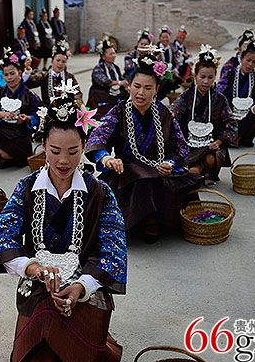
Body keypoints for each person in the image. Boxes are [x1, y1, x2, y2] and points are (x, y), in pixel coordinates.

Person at [0, 92, 126, 362]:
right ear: (43, 147)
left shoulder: (100, 193)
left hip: (84, 288)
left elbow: (114, 250)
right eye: (55, 150)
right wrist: (33, 268)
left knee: (71, 361)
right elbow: (2, 237)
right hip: (38, 287)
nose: (63, 160)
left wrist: (82, 286)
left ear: (84, 146)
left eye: (73, 151)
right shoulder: (26, 187)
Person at [85, 48, 199, 243]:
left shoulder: (164, 113)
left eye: (148, 88)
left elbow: (180, 146)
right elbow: (97, 136)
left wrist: (170, 163)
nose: (141, 93)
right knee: (139, 178)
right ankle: (148, 220)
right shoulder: (119, 111)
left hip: (158, 168)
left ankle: (151, 219)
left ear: (156, 89)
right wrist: (106, 158)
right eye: (137, 86)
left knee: (180, 182)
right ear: (129, 85)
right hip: (126, 170)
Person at [170, 45, 237, 186]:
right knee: (191, 169)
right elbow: (173, 115)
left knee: (210, 159)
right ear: (195, 76)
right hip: (189, 143)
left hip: (211, 145)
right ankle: (196, 171)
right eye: (202, 77)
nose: (206, 81)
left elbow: (231, 123)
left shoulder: (220, 99)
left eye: (210, 77)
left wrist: (219, 141)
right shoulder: (186, 96)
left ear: (215, 77)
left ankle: (206, 172)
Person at [0, 48, 42, 168]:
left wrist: (27, 118)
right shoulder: (1, 91)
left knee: (5, 153)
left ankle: (9, 158)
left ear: (20, 72)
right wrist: (2, 114)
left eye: (12, 73)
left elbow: (39, 113)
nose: (9, 78)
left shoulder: (29, 94)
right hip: (3, 128)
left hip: (21, 132)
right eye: (6, 75)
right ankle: (5, 158)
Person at [216, 35, 255, 148]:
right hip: (230, 111)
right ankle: (232, 137)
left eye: (254, 62)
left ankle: (239, 137)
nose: (250, 64)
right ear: (241, 58)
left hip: (247, 113)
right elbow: (219, 92)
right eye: (248, 60)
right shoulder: (230, 74)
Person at [26, 40, 83, 107]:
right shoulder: (44, 75)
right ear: (52, 61)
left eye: (63, 61)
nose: (60, 63)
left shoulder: (69, 77)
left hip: (67, 109)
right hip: (48, 109)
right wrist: (27, 72)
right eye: (58, 60)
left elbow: (77, 93)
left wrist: (76, 102)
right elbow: (28, 83)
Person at [87, 36, 126, 120]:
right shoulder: (98, 68)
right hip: (100, 98)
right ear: (103, 57)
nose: (114, 56)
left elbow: (121, 79)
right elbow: (106, 82)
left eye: (114, 53)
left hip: (113, 96)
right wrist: (120, 83)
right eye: (110, 54)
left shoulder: (115, 67)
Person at [156, 25, 181, 101]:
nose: (165, 39)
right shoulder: (156, 49)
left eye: (167, 37)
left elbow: (176, 61)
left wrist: (175, 69)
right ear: (160, 38)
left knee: (179, 78)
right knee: (165, 80)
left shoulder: (172, 48)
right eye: (163, 37)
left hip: (170, 71)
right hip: (159, 73)